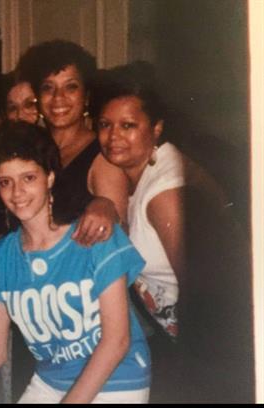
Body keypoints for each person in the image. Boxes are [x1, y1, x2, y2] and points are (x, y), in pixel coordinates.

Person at [0, 122, 151, 404]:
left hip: (117, 379)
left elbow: (117, 342)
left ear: (50, 177)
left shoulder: (95, 235)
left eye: (28, 178)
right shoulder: (0, 258)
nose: (17, 192)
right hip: (51, 381)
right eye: (5, 182)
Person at [94, 61, 238, 402]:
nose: (113, 136)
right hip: (184, 344)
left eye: (128, 125)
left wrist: (192, 370)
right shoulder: (143, 173)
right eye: (105, 125)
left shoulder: (162, 194)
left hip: (209, 352)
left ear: (156, 128)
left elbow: (203, 289)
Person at [17, 40, 129, 237]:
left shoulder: (103, 157)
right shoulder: (32, 149)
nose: (58, 97)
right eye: (48, 88)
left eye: (71, 87)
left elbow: (117, 238)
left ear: (86, 97)